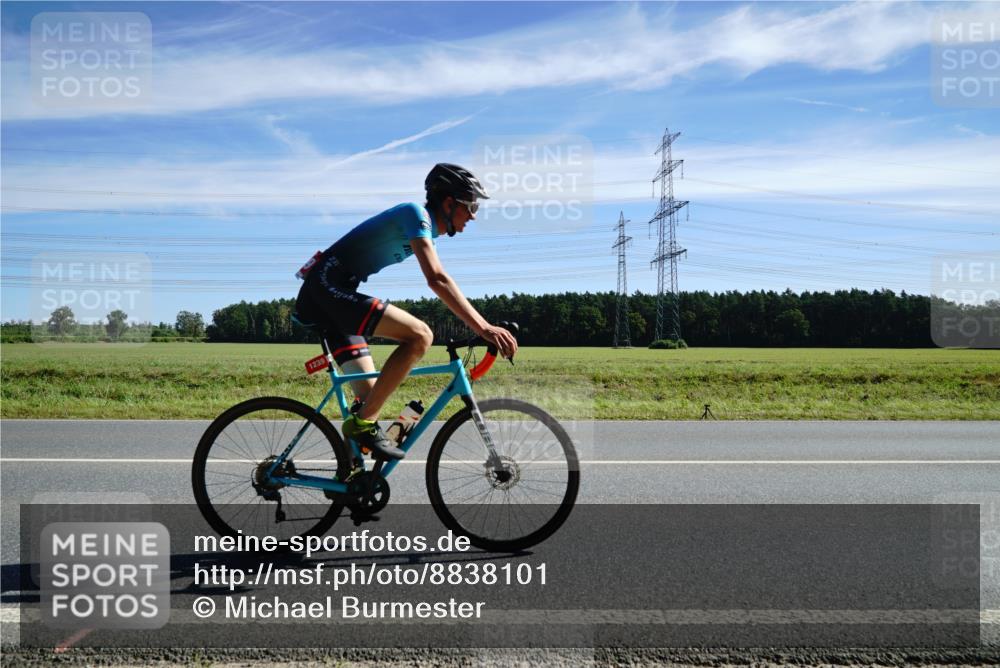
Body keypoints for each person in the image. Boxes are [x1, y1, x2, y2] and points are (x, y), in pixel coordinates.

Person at [295, 163, 518, 460]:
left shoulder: (427, 231)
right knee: (420, 336)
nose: (474, 215)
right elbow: (437, 279)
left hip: (333, 293)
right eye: (471, 205)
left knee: (369, 399)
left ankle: (350, 481)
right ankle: (362, 425)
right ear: (449, 203)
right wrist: (483, 328)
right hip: (326, 288)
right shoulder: (415, 214)